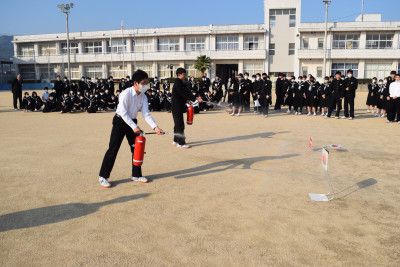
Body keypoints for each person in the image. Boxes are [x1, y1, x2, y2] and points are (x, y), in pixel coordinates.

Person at [98, 70, 164, 188]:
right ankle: (103, 176)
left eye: (146, 83)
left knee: (136, 149)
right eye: (143, 83)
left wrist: (156, 127)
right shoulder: (125, 94)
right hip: (120, 121)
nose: (145, 86)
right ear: (135, 83)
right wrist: (134, 127)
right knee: (113, 149)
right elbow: (123, 113)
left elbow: (146, 114)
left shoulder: (143, 97)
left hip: (132, 122)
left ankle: (136, 175)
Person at [171, 68, 203, 149]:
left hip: (178, 106)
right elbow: (183, 93)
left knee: (177, 124)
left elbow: (183, 94)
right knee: (180, 125)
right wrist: (195, 98)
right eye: (183, 74)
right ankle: (181, 143)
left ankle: (175, 140)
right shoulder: (178, 83)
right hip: (176, 106)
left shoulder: (180, 82)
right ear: (179, 75)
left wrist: (187, 99)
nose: (185, 76)